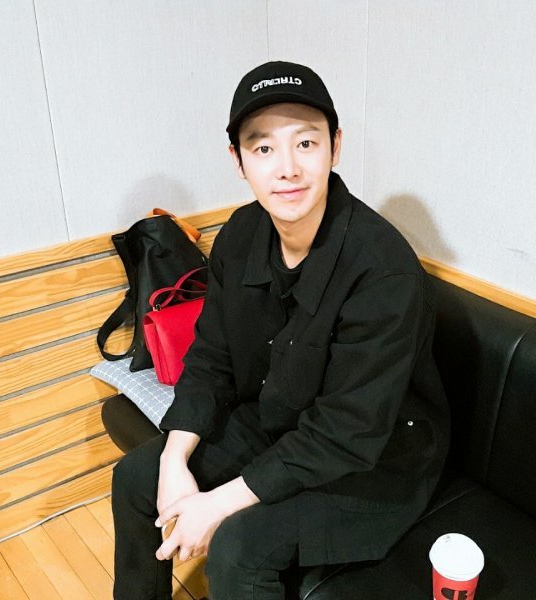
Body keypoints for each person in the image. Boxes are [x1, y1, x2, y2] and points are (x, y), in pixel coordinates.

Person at [112, 60, 450, 600]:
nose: (287, 168)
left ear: (335, 147)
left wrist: (217, 504)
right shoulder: (241, 234)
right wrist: (175, 459)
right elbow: (212, 357)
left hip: (376, 462)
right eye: (264, 147)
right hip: (280, 422)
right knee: (137, 477)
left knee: (238, 549)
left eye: (306, 143)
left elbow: (347, 430)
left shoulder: (383, 270)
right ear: (238, 161)